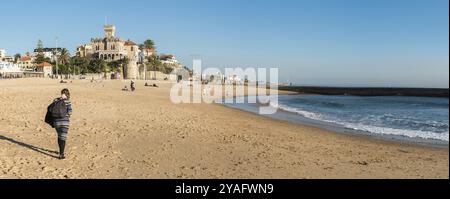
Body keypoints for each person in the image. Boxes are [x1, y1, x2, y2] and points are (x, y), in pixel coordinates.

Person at [53, 89, 73, 160]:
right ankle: (61, 154)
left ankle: (60, 151)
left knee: (59, 136)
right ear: (67, 94)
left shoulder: (56, 100)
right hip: (65, 122)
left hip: (56, 122)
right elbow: (70, 112)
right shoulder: (68, 101)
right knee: (63, 137)